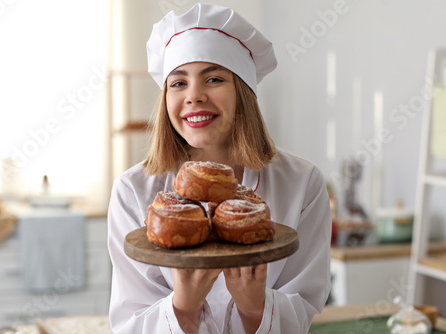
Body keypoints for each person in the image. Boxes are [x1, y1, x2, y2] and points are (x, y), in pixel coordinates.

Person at [107, 3, 332, 333]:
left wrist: (256, 307)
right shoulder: (133, 190)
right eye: (178, 83)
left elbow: (304, 306)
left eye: (213, 78)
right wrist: (182, 308)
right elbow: (130, 320)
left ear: (243, 92)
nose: (194, 96)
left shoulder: (302, 183)